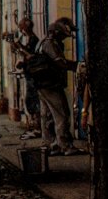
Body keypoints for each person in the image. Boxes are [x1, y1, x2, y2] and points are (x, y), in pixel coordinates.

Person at [30, 18, 79, 153]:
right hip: (51, 85)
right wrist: (77, 66)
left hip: (43, 85)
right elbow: (60, 63)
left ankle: (51, 144)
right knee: (61, 114)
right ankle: (65, 145)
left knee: (48, 116)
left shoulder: (41, 43)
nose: (64, 38)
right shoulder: (50, 44)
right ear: (55, 33)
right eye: (63, 35)